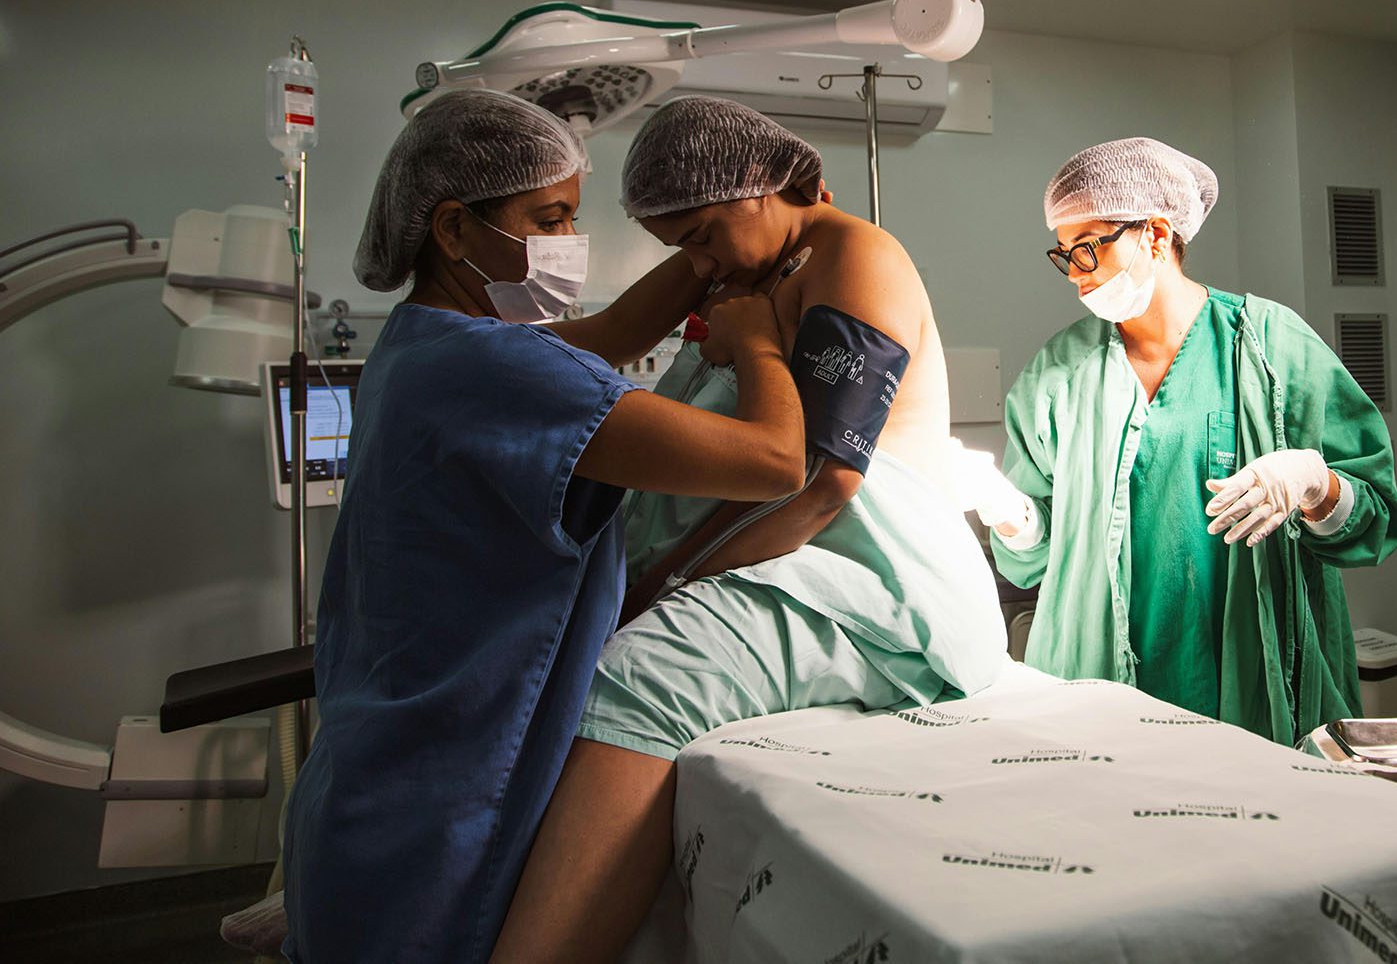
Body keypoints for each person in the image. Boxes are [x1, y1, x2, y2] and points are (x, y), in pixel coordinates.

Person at [280, 90, 806, 964]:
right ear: (452, 229)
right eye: (549, 217)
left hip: (366, 801)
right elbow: (776, 464)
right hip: (439, 825)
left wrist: (705, 251)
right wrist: (755, 339)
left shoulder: (417, 346)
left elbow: (596, 337)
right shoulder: (496, 367)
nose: (566, 241)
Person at [493, 96, 1006, 963]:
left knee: (639, 674)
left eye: (699, 235)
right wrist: (458, 351)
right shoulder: (737, 265)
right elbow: (607, 338)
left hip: (880, 579)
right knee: (542, 640)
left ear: (762, 187)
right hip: (784, 555)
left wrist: (670, 585)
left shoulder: (856, 256)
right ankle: (439, 895)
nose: (694, 262)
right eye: (678, 246)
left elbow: (825, 479)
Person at [962, 137, 1397, 745]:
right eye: (1066, 254)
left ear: (1157, 234)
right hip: (1095, 686)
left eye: (1090, 247)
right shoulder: (1059, 373)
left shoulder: (1270, 347)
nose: (1077, 274)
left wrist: (1314, 483)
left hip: (1250, 688)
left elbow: (1375, 517)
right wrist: (1010, 515)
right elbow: (1034, 559)